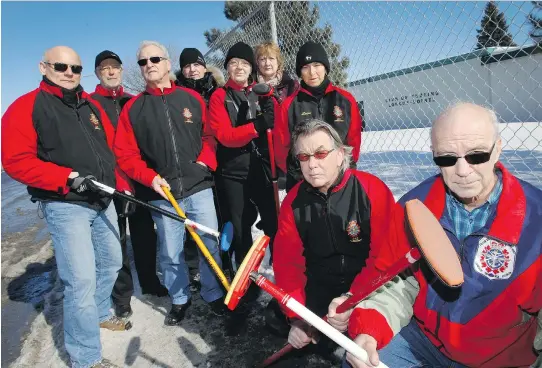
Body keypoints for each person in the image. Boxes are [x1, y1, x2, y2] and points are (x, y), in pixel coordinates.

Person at [342, 102, 542, 368]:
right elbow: (397, 283)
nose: (462, 171)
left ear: (498, 149)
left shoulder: (535, 219)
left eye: (477, 155)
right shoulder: (414, 208)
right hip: (423, 341)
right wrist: (368, 332)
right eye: (447, 158)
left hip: (499, 357)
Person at [1, 45, 132, 368]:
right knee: (81, 280)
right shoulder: (25, 107)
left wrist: (122, 187)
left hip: (102, 199)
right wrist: (66, 177)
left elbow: (108, 152)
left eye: (75, 68)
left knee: (112, 262)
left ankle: (100, 314)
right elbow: (15, 161)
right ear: (43, 67)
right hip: (65, 204)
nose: (70, 73)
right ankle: (85, 358)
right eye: (62, 67)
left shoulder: (90, 106)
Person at [114, 41, 226, 326]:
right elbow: (125, 154)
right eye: (142, 62)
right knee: (170, 250)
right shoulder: (134, 109)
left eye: (154, 59)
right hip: (162, 193)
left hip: (198, 187)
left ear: (166, 63)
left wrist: (205, 162)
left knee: (208, 244)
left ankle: (213, 294)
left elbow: (210, 136)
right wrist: (148, 177)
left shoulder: (191, 99)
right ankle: (179, 299)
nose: (149, 65)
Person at [271, 119, 395, 362]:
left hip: (366, 286)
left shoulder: (371, 190)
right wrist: (296, 317)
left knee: (365, 348)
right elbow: (288, 265)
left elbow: (384, 259)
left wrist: (353, 297)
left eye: (320, 153)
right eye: (304, 157)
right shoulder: (293, 202)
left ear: (340, 155)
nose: (312, 164)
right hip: (320, 286)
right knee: (277, 320)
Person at [208, 41, 278, 334]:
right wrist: (257, 127)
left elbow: (276, 126)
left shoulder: (259, 93)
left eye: (245, 64)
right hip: (233, 174)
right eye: (233, 63)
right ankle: (245, 283)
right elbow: (224, 135)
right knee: (239, 230)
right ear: (227, 68)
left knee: (274, 225)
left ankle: (284, 280)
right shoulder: (219, 97)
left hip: (261, 171)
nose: (239, 68)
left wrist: (270, 114)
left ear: (252, 69)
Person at [91, 50, 167, 319]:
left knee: (145, 233)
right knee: (116, 240)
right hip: (108, 184)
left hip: (137, 180)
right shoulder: (89, 104)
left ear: (122, 70)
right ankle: (122, 296)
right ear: (97, 73)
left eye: (115, 67)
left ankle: (150, 281)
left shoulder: (133, 101)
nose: (111, 72)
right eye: (104, 68)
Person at [275, 41, 363, 191]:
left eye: (317, 65)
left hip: (340, 178)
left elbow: (353, 141)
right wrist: (302, 174)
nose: (312, 72)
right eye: (305, 67)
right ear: (299, 72)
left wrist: (344, 170)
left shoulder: (345, 100)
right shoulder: (289, 106)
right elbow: (281, 148)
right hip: (303, 180)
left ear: (325, 68)